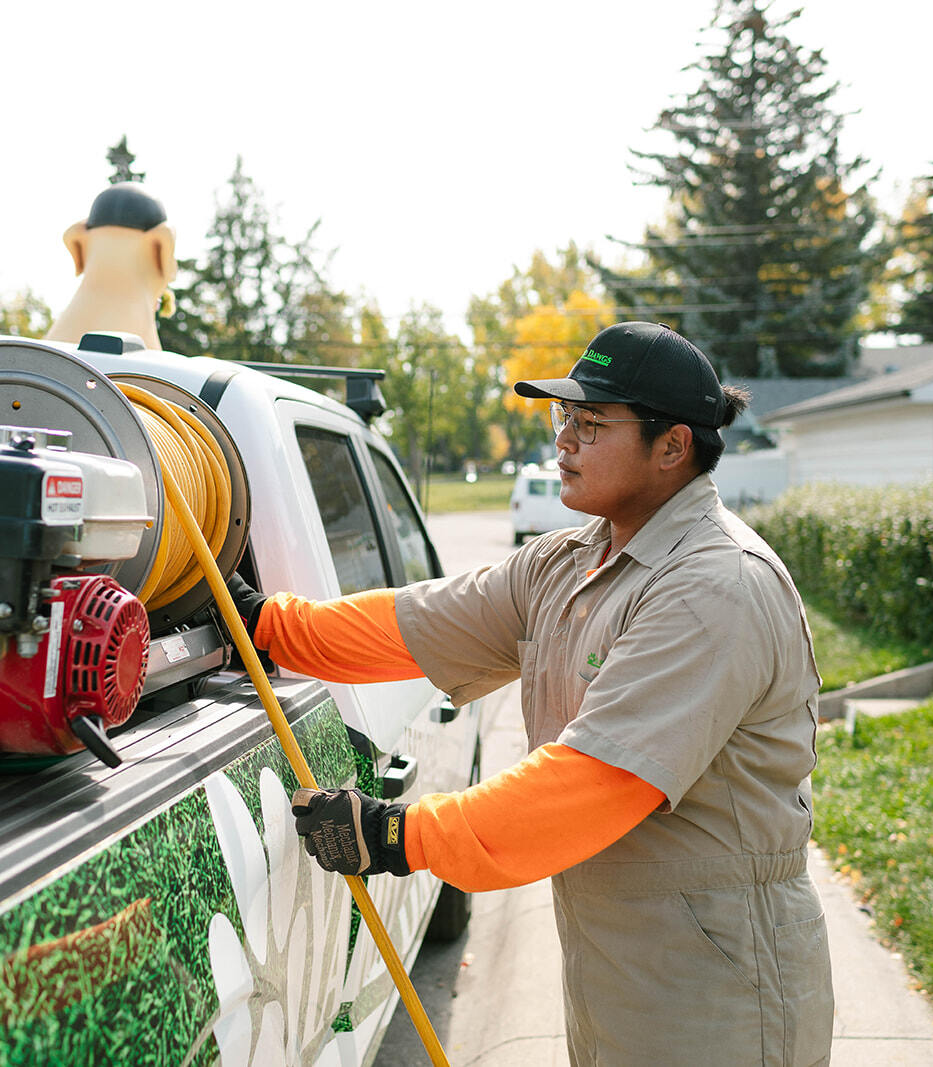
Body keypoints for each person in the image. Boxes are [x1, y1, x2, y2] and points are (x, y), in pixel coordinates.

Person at [228, 321, 833, 1066]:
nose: (564, 442)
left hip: (722, 983)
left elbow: (590, 783)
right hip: (624, 967)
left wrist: (398, 835)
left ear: (673, 446)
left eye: (591, 423)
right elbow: (414, 624)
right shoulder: (571, 561)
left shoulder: (714, 585)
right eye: (563, 419)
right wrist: (260, 621)